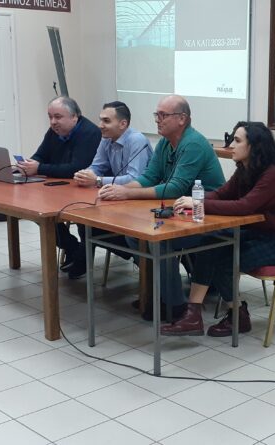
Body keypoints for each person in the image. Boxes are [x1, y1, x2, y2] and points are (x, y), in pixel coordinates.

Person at [161, 122, 275, 337]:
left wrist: (198, 204)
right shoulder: (246, 169)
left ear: (254, 146)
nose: (231, 146)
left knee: (225, 262)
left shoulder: (273, 175)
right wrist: (193, 200)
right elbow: (221, 194)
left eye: (237, 141)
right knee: (210, 243)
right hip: (257, 234)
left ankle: (238, 315)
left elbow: (245, 207)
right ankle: (193, 314)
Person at [99, 95, 225, 320]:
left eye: (163, 115)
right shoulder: (166, 142)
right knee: (134, 236)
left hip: (207, 215)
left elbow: (176, 188)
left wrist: (127, 193)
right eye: (156, 114)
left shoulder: (193, 143)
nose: (157, 119)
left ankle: (174, 306)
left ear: (182, 119)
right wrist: (120, 191)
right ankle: (156, 294)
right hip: (180, 212)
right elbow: (149, 177)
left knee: (160, 241)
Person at [67, 101, 153, 277]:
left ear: (123, 124)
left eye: (106, 121)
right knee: (85, 220)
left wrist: (97, 180)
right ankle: (85, 259)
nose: (100, 125)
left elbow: (135, 179)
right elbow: (97, 166)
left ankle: (135, 255)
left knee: (91, 224)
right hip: (120, 199)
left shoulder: (136, 140)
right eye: (100, 120)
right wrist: (85, 174)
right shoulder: (106, 139)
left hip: (141, 202)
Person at [18, 96, 101, 278]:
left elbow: (77, 168)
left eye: (58, 117)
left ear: (74, 117)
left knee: (82, 217)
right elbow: (41, 155)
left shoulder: (90, 133)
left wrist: (39, 168)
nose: (53, 122)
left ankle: (82, 258)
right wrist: (27, 165)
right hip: (60, 188)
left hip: (84, 190)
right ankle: (72, 248)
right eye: (50, 117)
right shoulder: (54, 132)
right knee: (40, 213)